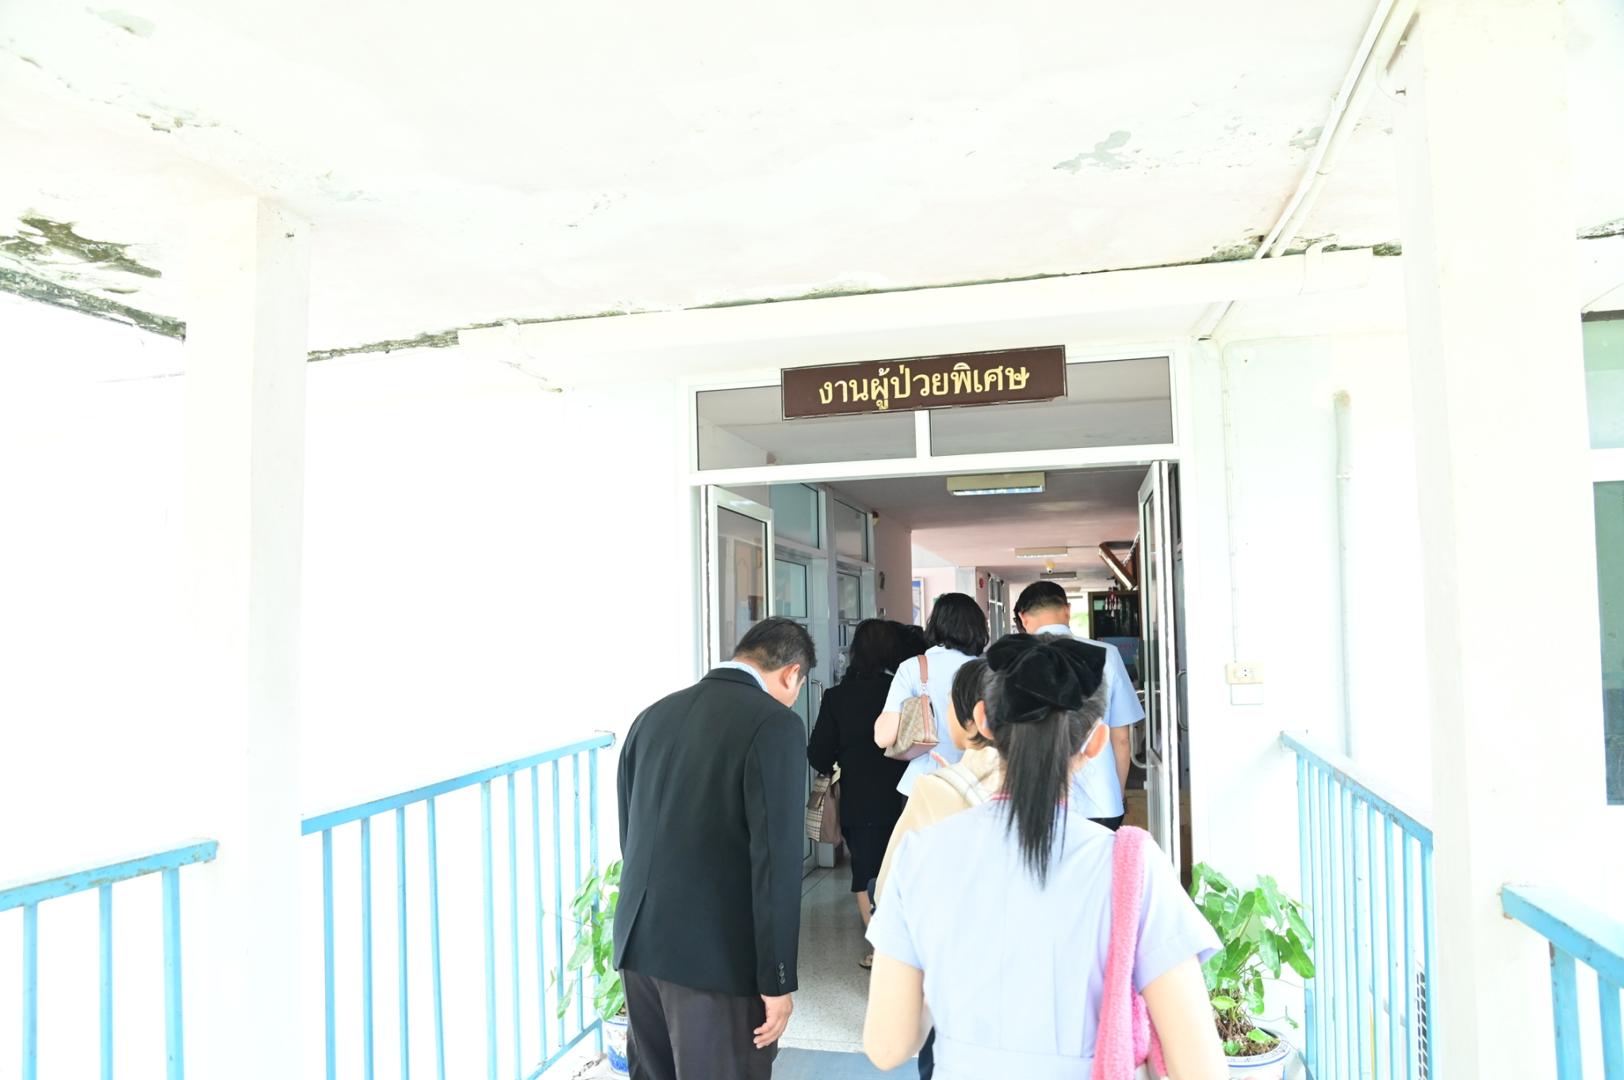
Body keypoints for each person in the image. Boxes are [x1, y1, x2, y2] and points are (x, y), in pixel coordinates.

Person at [862, 634, 1226, 1079]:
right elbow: (1201, 1069)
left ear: (983, 721)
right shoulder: (1133, 867)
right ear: (1094, 743)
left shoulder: (922, 854)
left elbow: (887, 1046)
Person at [614, 617, 815, 1080]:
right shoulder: (775, 724)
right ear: (792, 674)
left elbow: (631, 831)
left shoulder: (653, 715)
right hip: (716, 964)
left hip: (640, 947)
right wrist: (777, 980)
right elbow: (776, 863)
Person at [871, 657, 999, 1080]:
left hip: (956, 1002)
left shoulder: (936, 792)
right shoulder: (1060, 794)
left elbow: (889, 892)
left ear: (975, 717)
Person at [807, 619, 909, 965]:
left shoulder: (838, 697)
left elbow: (818, 753)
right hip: (905, 793)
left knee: (865, 870)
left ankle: (881, 949)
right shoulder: (901, 691)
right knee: (901, 867)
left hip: (860, 797)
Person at [1013, 580, 1145, 831]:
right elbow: (1121, 740)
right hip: (1101, 803)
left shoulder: (1013, 661)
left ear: (1023, 617)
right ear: (1067, 610)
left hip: (1035, 802)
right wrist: (1115, 796)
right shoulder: (1107, 655)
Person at [872, 594, 989, 799]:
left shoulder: (913, 668)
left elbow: (884, 738)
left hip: (922, 785)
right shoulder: (987, 671)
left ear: (935, 624)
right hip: (976, 785)